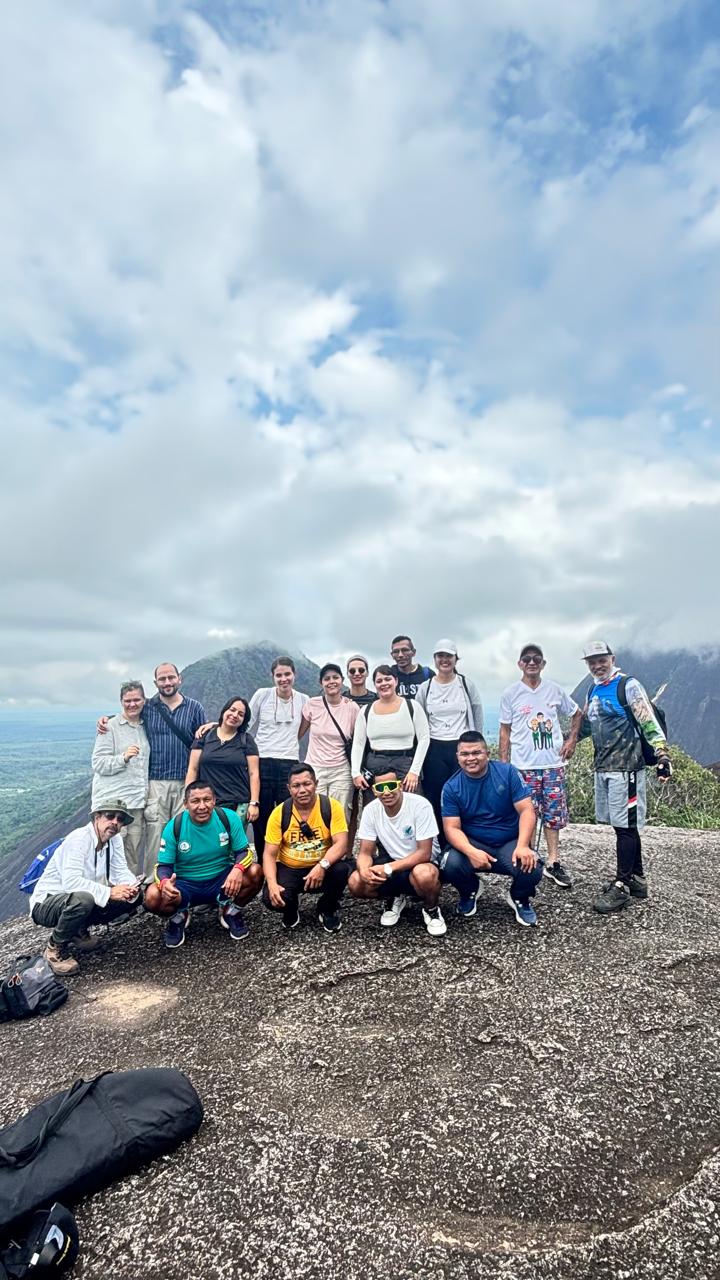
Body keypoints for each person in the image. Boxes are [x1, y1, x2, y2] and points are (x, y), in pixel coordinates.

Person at [581, 641, 672, 914]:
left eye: (601, 660)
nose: (597, 665)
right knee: (624, 825)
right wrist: (566, 741)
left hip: (627, 768)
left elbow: (647, 721)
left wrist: (662, 754)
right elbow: (589, 725)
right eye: (591, 662)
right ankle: (638, 879)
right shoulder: (594, 689)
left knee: (624, 827)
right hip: (605, 767)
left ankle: (621, 885)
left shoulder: (627, 686)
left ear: (612, 658)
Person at [97, 662, 206, 875]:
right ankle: (153, 882)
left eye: (170, 678)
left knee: (184, 833)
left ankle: (181, 881)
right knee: (155, 835)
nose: (167, 682)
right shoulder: (149, 707)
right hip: (156, 782)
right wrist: (106, 720)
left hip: (186, 782)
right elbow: (129, 712)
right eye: (162, 679)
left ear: (179, 678)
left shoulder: (195, 708)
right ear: (156, 683)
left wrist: (213, 726)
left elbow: (202, 739)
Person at [498, 644, 583, 890]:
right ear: (520, 664)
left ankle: (554, 861)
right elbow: (505, 729)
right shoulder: (511, 693)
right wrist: (504, 763)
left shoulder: (554, 690)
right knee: (527, 813)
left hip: (553, 764)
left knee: (553, 814)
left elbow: (577, 713)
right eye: (527, 659)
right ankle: (528, 857)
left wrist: (571, 741)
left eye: (536, 659)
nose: (532, 663)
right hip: (523, 766)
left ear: (543, 664)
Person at [440, 731, 542, 926]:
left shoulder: (508, 773)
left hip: (509, 843)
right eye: (465, 754)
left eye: (476, 752)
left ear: (487, 753)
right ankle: (470, 889)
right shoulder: (451, 787)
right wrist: (471, 851)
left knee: (532, 867)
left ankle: (519, 897)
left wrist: (523, 846)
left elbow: (527, 811)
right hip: (474, 842)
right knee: (449, 864)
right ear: (457, 757)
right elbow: (451, 828)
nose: (471, 758)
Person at [143, 781, 263, 947]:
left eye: (207, 800)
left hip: (221, 881)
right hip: (185, 886)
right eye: (195, 801)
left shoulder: (228, 818)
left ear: (214, 800)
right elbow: (162, 867)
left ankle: (231, 911)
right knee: (152, 896)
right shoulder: (174, 826)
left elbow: (244, 851)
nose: (202, 806)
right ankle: (178, 917)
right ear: (186, 804)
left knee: (255, 872)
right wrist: (164, 883)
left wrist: (237, 869)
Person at [29, 802, 142, 975]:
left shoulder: (114, 839)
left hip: (76, 899)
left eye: (120, 819)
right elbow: (71, 882)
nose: (115, 822)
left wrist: (131, 887)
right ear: (97, 817)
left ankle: (77, 931)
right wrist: (110, 892)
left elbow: (120, 871)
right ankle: (53, 949)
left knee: (134, 896)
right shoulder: (79, 838)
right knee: (84, 900)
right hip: (47, 903)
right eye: (109, 816)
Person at [348, 768, 447, 936]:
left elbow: (424, 853)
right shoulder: (371, 810)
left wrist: (387, 868)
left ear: (400, 785)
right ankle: (394, 897)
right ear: (374, 791)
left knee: (425, 875)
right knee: (356, 882)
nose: (386, 792)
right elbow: (365, 852)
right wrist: (364, 870)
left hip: (421, 862)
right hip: (393, 862)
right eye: (380, 788)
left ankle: (431, 908)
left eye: (391, 786)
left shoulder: (420, 805)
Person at [261, 763, 349, 933]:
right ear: (289, 788)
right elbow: (269, 854)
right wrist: (271, 884)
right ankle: (291, 907)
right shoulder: (279, 813)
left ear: (316, 783)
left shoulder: (331, 806)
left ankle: (326, 907)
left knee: (341, 870)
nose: (302, 790)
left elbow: (342, 844)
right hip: (290, 867)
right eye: (296, 786)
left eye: (307, 784)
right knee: (271, 898)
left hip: (322, 865)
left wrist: (322, 866)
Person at [414, 640, 484, 832]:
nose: (444, 660)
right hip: (434, 747)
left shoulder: (465, 684)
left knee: (465, 792)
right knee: (436, 796)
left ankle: (466, 838)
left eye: (448, 656)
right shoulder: (425, 688)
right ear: (435, 659)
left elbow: (477, 712)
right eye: (440, 656)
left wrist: (477, 745)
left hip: (461, 747)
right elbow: (419, 718)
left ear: (455, 659)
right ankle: (440, 843)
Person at [248, 657, 309, 857]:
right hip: (263, 760)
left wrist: (290, 741)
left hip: (289, 762)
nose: (283, 679)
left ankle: (285, 859)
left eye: (287, 674)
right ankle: (263, 862)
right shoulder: (262, 695)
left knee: (288, 814)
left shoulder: (303, 699)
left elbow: (303, 728)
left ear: (294, 675)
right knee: (262, 816)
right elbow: (247, 724)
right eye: (279, 675)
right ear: (273, 677)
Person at [91, 682, 150, 875]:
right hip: (111, 806)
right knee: (104, 855)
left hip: (135, 805)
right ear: (121, 701)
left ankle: (127, 900)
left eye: (136, 700)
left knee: (131, 856)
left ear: (144, 700)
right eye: (127, 700)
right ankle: (103, 900)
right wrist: (123, 758)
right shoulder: (110, 727)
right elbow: (98, 763)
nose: (132, 704)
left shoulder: (146, 726)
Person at [184, 696, 260, 832]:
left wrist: (254, 803)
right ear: (224, 711)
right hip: (206, 803)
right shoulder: (205, 736)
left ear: (244, 720)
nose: (235, 715)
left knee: (233, 847)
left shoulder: (246, 740)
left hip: (238, 805)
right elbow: (193, 769)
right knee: (207, 844)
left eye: (241, 714)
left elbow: (254, 773)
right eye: (232, 710)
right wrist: (189, 798)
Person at [351, 665, 430, 795]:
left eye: (388, 679)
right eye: (379, 681)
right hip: (375, 765)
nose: (384, 684)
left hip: (405, 765)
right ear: (375, 685)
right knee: (376, 808)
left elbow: (424, 739)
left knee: (411, 807)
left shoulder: (412, 706)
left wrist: (414, 771)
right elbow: (358, 743)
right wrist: (356, 773)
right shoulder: (365, 711)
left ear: (396, 681)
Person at [299, 664, 359, 819]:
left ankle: (340, 844)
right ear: (321, 683)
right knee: (313, 814)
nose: (331, 682)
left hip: (341, 770)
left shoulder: (351, 707)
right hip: (315, 768)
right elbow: (298, 733)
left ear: (342, 680)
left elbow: (358, 740)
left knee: (339, 815)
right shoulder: (312, 704)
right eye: (327, 679)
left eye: (335, 677)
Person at [388, 635, 434, 700]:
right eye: (396, 651)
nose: (400, 655)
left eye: (405, 650)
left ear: (413, 652)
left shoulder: (427, 674)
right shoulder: (388, 676)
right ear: (392, 655)